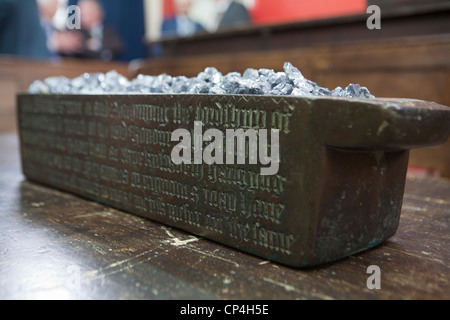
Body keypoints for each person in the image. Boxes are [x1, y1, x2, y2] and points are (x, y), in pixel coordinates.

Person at [55, 0, 123, 61]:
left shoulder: (109, 30)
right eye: (81, 11)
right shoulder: (73, 30)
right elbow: (75, 49)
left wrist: (96, 44)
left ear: (98, 13)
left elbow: (118, 46)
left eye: (87, 11)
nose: (82, 14)